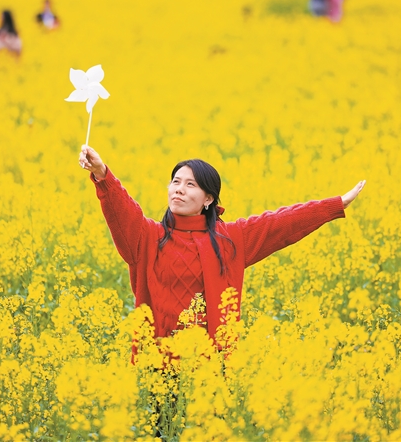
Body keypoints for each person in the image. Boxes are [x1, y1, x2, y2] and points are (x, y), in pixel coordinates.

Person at [78, 145, 366, 346]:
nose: (179, 189)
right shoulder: (146, 238)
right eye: (175, 182)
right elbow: (120, 208)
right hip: (158, 367)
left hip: (211, 370)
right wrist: (102, 173)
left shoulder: (231, 240)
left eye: (190, 185)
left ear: (208, 199)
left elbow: (281, 223)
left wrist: (335, 205)